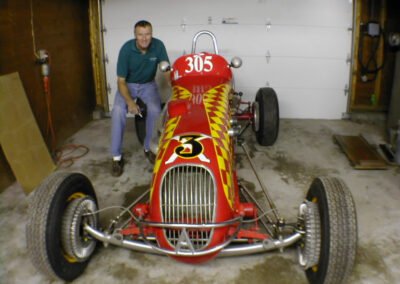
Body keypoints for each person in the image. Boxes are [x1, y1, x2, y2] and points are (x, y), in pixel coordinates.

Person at [110, 20, 170, 177]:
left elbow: (166, 70)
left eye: (148, 34)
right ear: (135, 36)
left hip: (148, 85)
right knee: (117, 111)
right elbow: (121, 81)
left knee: (155, 109)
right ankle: (116, 157)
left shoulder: (158, 46)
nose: (144, 38)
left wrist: (176, 86)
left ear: (152, 34)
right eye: (140, 35)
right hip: (127, 85)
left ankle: (148, 148)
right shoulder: (126, 49)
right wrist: (130, 102)